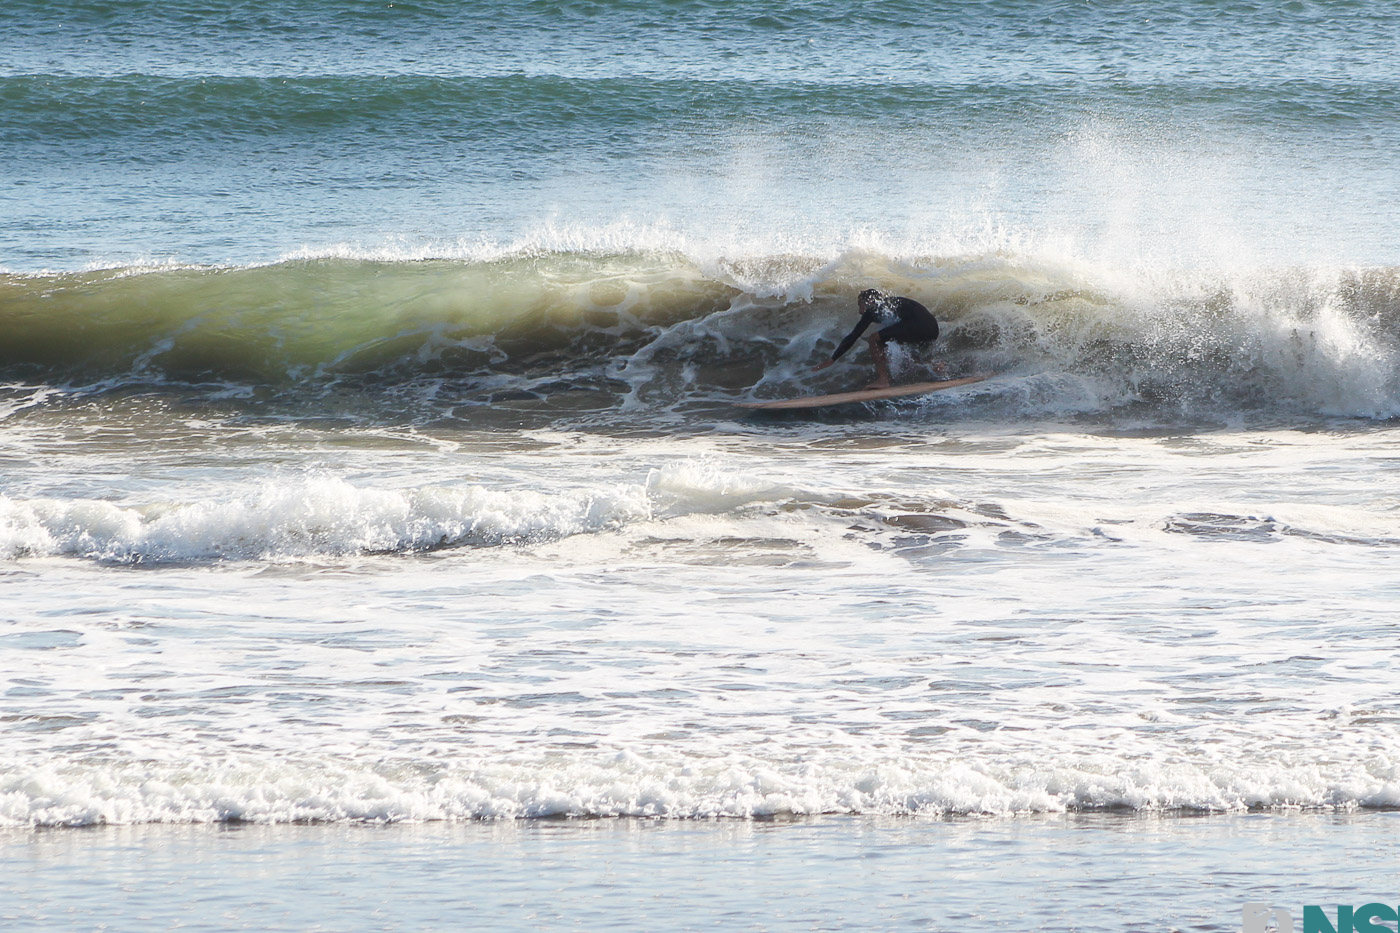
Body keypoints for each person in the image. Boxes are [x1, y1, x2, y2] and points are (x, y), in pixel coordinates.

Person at [813, 288, 940, 389]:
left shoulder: (874, 308)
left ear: (868, 302)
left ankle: (883, 380)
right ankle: (935, 367)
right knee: (897, 343)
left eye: (860, 305)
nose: (860, 311)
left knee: (874, 339)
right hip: (932, 328)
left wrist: (832, 359)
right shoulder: (890, 305)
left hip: (919, 324)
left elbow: (853, 335)